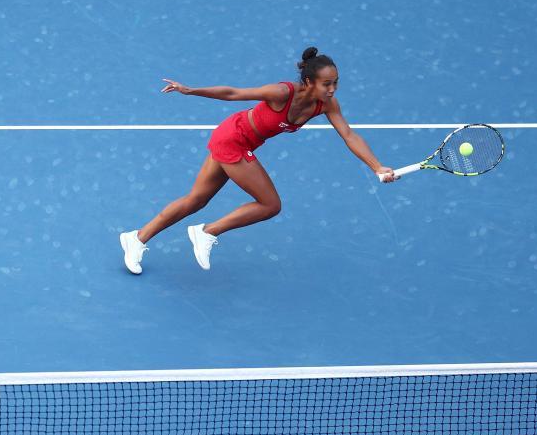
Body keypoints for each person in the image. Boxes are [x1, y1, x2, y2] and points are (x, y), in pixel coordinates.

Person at [119, 47, 395, 273]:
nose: (333, 89)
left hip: (240, 140)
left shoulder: (327, 105)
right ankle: (207, 232)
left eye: (335, 83)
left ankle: (136, 238)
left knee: (196, 199)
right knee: (270, 204)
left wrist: (377, 166)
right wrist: (191, 90)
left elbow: (348, 135)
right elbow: (234, 93)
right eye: (327, 84)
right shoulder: (282, 93)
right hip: (233, 140)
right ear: (309, 82)